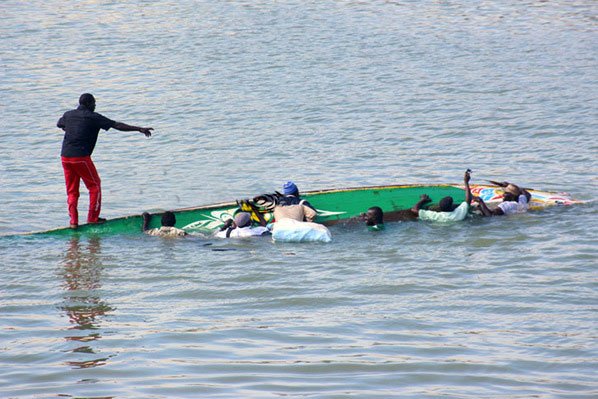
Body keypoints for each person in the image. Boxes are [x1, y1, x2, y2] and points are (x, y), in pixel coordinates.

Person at [57, 93, 154, 229]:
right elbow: (117, 125)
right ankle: (93, 218)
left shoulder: (68, 114)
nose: (95, 106)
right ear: (89, 104)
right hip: (81, 158)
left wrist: (72, 130)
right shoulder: (93, 117)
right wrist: (139, 129)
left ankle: (73, 222)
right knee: (94, 186)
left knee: (72, 191)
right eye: (94, 103)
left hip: (65, 157)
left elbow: (60, 124)